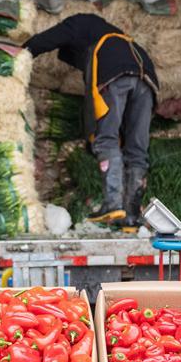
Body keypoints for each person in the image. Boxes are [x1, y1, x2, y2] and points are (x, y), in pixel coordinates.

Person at [26, 13, 158, 226]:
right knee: (137, 148)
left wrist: (25, 50)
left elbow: (49, 38)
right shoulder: (119, 37)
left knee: (106, 139)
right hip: (148, 77)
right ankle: (131, 214)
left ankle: (113, 205)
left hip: (116, 76)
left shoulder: (81, 23)